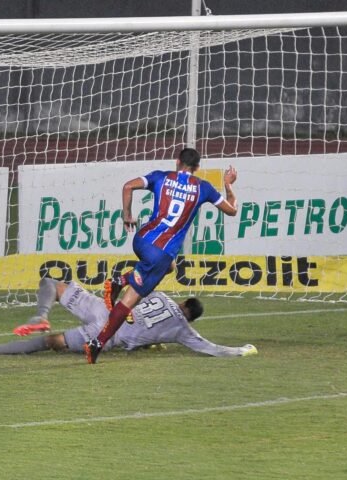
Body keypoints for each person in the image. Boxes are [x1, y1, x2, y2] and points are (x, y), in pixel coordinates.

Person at [85, 147, 239, 364]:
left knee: (170, 267)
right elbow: (232, 210)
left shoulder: (161, 177)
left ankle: (124, 279)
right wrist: (229, 185)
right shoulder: (203, 188)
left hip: (141, 239)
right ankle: (97, 343)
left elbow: (128, 186)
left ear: (177, 162)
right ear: (197, 168)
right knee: (130, 301)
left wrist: (127, 215)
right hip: (161, 252)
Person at [0, 277, 257, 358]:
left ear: (182, 301)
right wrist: (242, 350)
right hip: (108, 335)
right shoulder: (181, 330)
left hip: (106, 310)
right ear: (190, 319)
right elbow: (211, 348)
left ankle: (41, 314)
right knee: (48, 343)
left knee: (51, 284)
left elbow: (134, 297)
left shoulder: (160, 295)